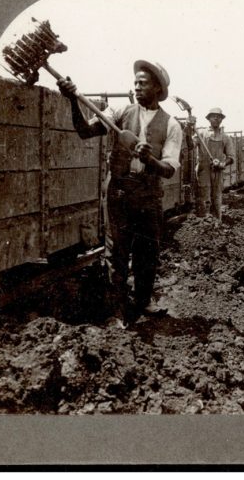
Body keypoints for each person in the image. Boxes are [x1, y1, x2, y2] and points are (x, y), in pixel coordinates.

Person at [57, 60, 183, 327]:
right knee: (116, 253)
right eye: (135, 82)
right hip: (119, 193)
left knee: (148, 252)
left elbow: (169, 170)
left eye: (143, 83)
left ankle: (144, 302)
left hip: (149, 195)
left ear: (157, 88)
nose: (137, 87)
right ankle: (117, 311)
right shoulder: (119, 111)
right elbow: (84, 131)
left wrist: (149, 160)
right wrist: (71, 100)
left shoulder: (172, 125)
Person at [195, 107, 235, 219]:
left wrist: (222, 163)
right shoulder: (201, 134)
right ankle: (203, 224)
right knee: (204, 197)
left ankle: (217, 223)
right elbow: (189, 145)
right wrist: (189, 128)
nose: (216, 118)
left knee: (217, 197)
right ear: (209, 118)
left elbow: (231, 157)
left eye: (219, 117)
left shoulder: (226, 137)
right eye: (213, 116)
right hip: (203, 170)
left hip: (217, 171)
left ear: (221, 119)